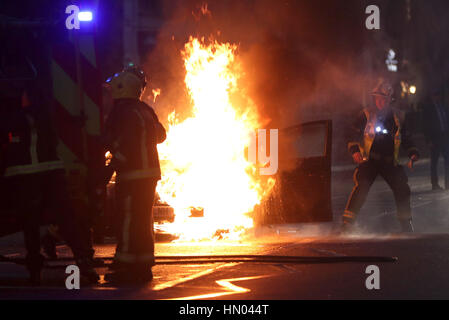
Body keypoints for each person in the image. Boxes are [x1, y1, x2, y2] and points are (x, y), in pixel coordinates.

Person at [0, 86, 99, 285]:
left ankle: (35, 270)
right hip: (54, 176)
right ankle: (84, 262)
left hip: (27, 179)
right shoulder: (47, 117)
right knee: (67, 220)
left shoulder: (15, 119)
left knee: (31, 225)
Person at [103, 65, 166, 283]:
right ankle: (143, 266)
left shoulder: (120, 112)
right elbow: (161, 135)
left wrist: (106, 168)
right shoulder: (145, 110)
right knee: (143, 220)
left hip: (131, 175)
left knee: (128, 220)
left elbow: (114, 141)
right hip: (150, 175)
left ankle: (126, 268)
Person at [341, 81, 419, 234]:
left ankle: (406, 224)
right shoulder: (366, 114)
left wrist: (413, 153)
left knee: (402, 188)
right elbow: (351, 134)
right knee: (361, 187)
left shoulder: (399, 117)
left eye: (383, 99)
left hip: (390, 162)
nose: (379, 101)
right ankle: (347, 224)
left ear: (390, 99)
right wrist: (355, 151)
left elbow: (407, 138)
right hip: (370, 160)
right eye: (377, 98)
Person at [422, 89, 449, 190]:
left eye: (438, 95)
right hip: (435, 139)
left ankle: (448, 184)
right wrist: (428, 140)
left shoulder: (443, 107)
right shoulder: (428, 109)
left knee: (448, 161)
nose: (437, 97)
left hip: (445, 137)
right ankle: (435, 184)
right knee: (434, 163)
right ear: (432, 96)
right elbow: (425, 126)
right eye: (435, 95)